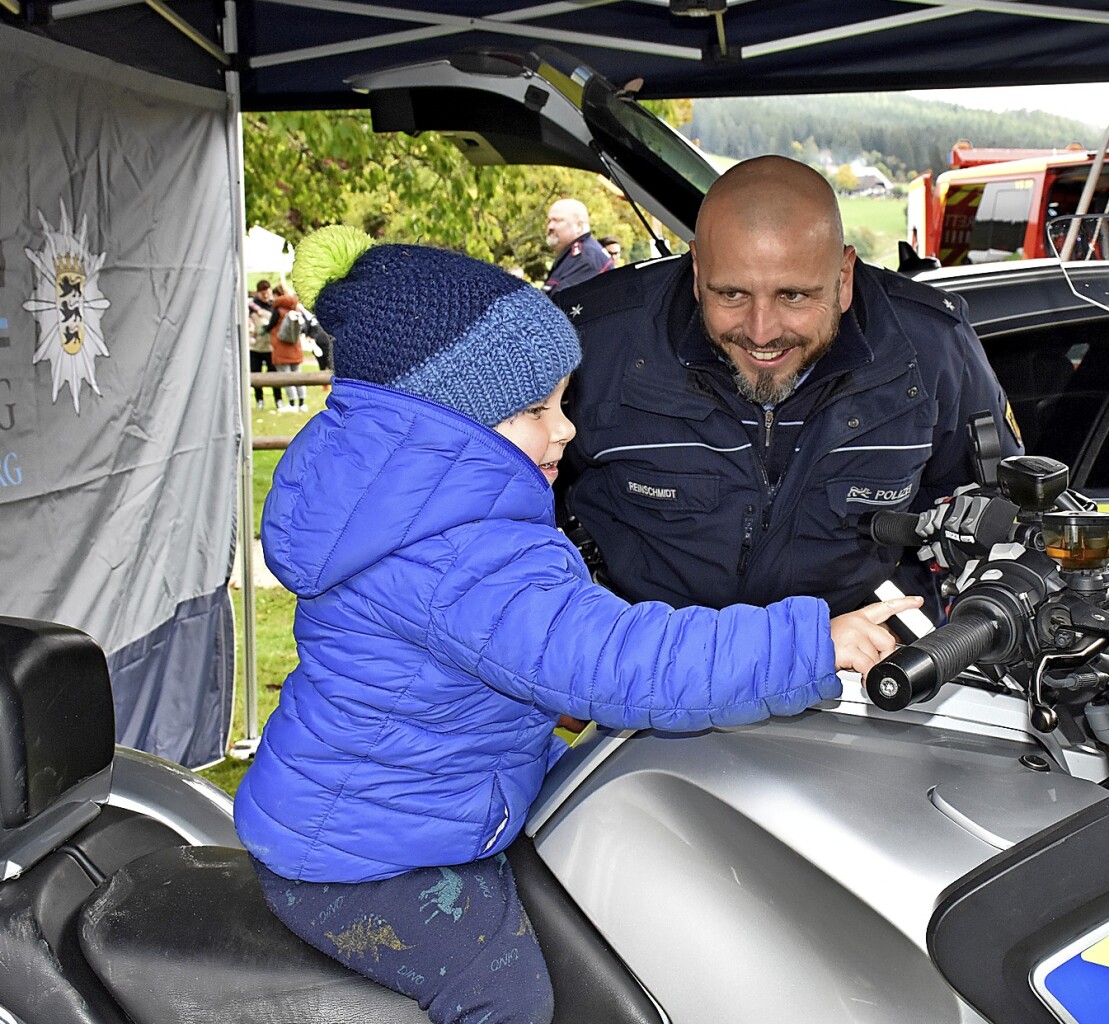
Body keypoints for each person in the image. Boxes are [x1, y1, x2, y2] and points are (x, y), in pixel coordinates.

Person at [233, 226, 920, 1024]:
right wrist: (811, 642)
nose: (564, 429)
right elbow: (614, 662)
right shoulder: (460, 553)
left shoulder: (409, 505)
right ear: (447, 423)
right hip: (368, 859)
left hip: (386, 814)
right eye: (534, 409)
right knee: (507, 995)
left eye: (564, 401)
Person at [553, 155, 1023, 617]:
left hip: (859, 673)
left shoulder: (933, 349)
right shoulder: (591, 344)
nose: (761, 332)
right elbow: (505, 516)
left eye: (793, 296)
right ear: (697, 271)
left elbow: (1000, 518)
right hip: (642, 668)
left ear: (843, 279)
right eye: (731, 294)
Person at [541, 198, 614, 294]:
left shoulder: (587, 259)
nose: (550, 227)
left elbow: (557, 304)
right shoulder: (571, 256)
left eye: (557, 220)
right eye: (549, 221)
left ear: (579, 226)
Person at [266, 285, 307, 411]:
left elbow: (270, 326)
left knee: (286, 376)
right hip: (295, 347)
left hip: (281, 347)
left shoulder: (278, 310)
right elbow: (305, 327)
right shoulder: (296, 308)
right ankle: (302, 403)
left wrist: (262, 330)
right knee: (297, 375)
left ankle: (292, 403)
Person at [248, 279, 280, 410]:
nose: (266, 296)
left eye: (267, 293)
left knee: (275, 375)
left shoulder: (274, 306)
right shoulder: (252, 306)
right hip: (255, 347)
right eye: (263, 294)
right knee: (256, 374)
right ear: (258, 293)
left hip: (270, 347)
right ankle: (259, 400)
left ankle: (278, 400)